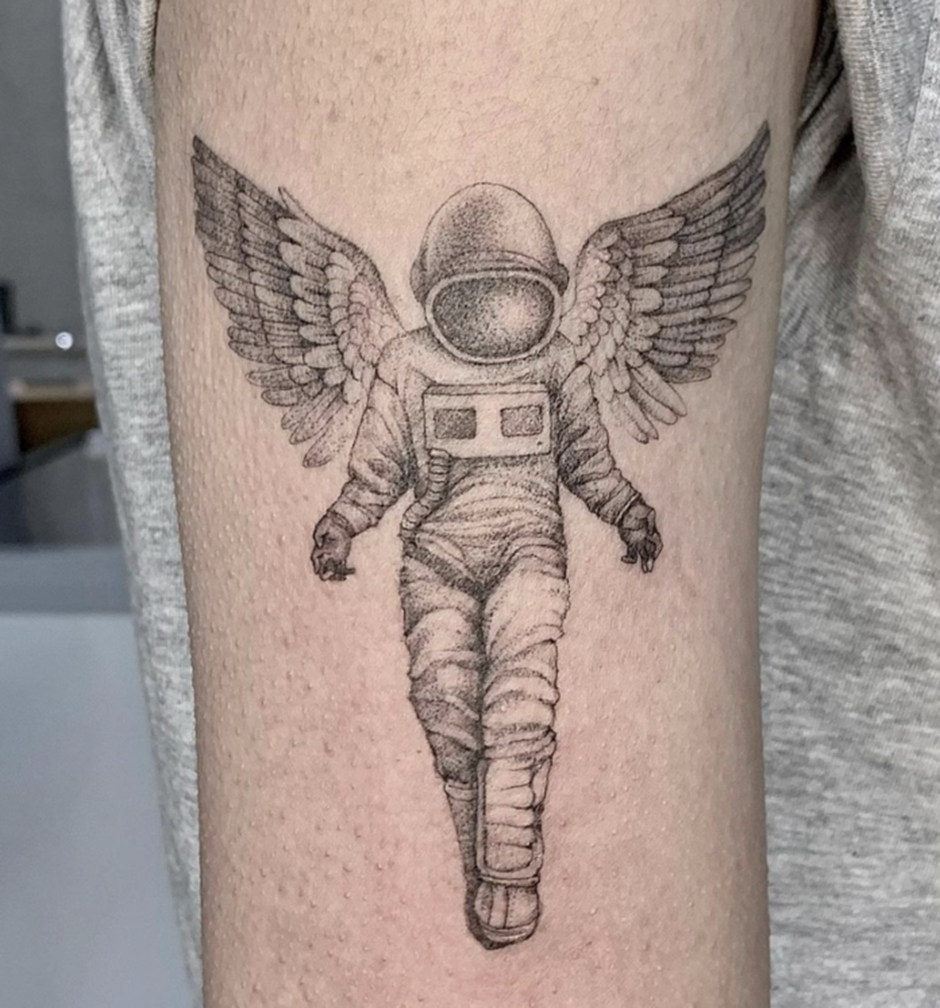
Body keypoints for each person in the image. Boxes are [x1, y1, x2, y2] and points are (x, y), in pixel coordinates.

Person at [62, 0, 940, 1004]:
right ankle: (479, 860)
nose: (494, 316)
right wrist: (343, 523)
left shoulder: (559, 364)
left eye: (512, 295)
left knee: (518, 713)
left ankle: (513, 872)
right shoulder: (404, 363)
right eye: (476, 297)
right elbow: (378, 465)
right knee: (448, 711)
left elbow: (588, 458)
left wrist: (626, 511)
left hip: (527, 552)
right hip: (436, 559)